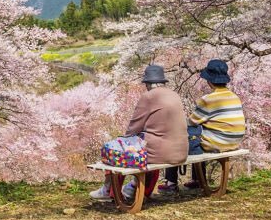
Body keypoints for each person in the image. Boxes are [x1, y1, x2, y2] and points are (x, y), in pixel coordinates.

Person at [90, 64, 187, 202]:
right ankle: (133, 187)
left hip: (161, 153)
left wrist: (125, 139)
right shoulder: (174, 95)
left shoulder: (148, 96)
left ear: (147, 83)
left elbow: (134, 126)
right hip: (181, 151)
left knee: (117, 149)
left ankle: (108, 189)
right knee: (146, 146)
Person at [159, 58, 246, 193]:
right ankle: (197, 179)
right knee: (198, 136)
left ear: (209, 81)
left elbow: (192, 122)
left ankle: (171, 182)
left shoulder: (208, 99)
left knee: (179, 137)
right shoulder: (235, 97)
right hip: (234, 141)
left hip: (217, 143)